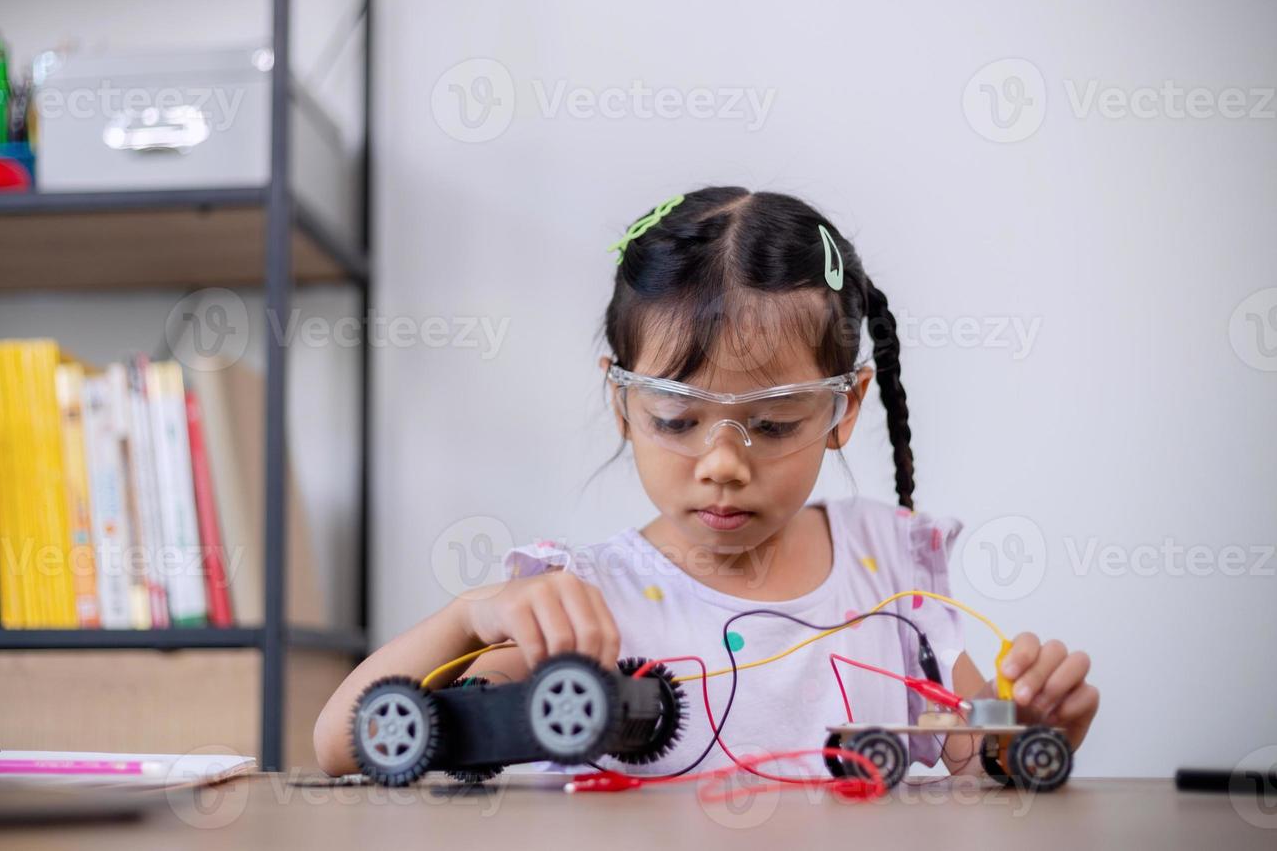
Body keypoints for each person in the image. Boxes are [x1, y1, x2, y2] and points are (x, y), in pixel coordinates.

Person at [314, 186, 1098, 781]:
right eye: (678, 419)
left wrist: (1028, 731)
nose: (722, 463)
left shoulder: (889, 573)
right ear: (622, 403)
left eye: (774, 423)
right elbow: (340, 744)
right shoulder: (582, 605)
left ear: (844, 407)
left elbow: (975, 756)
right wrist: (469, 615)